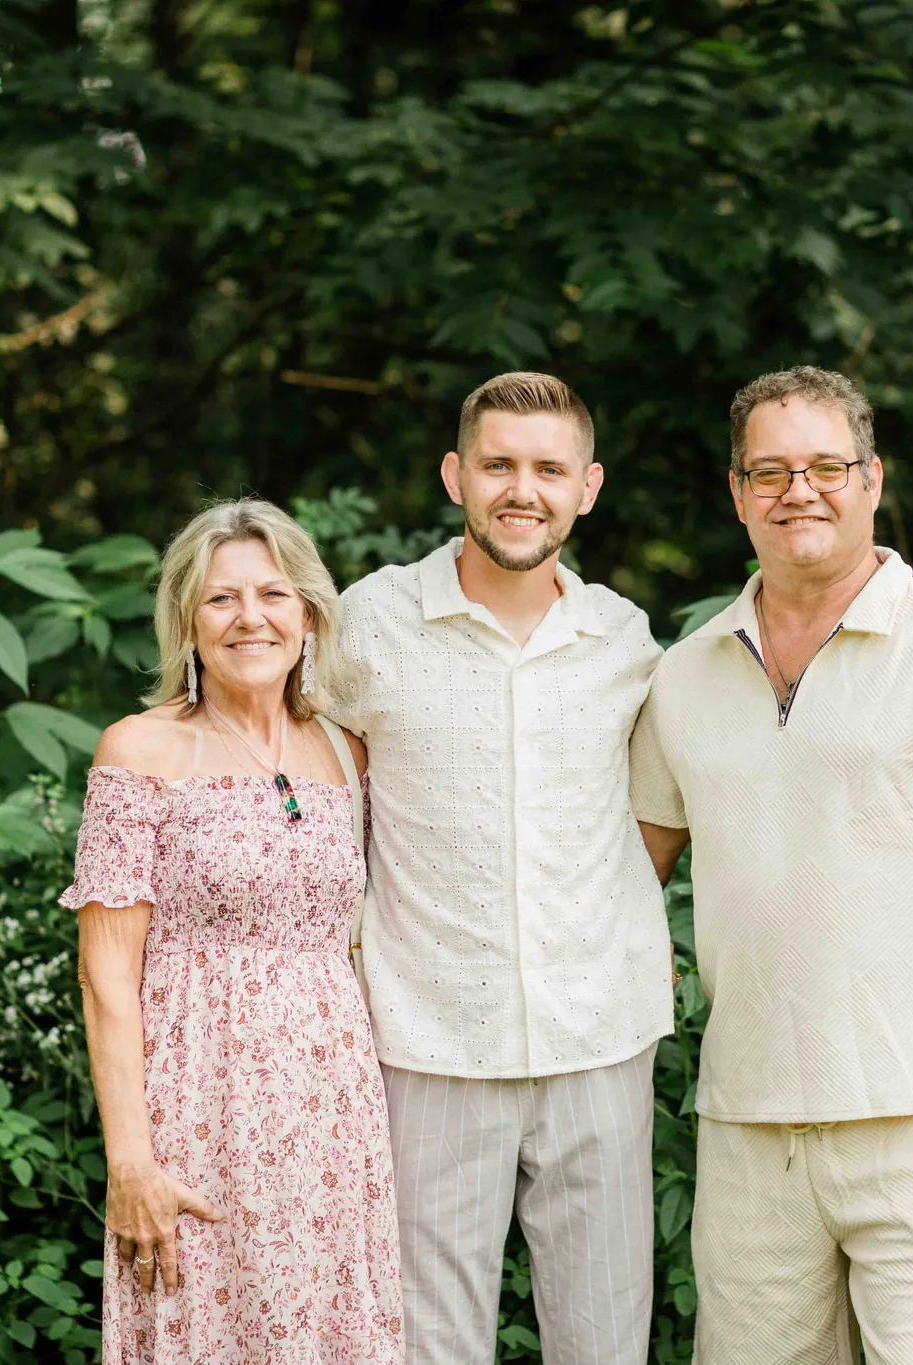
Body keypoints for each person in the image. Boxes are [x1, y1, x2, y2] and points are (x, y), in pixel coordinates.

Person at [631, 367, 913, 1365]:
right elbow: (628, 870)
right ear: (735, 492)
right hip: (744, 1117)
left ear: (871, 479)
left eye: (826, 466)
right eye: (771, 471)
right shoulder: (684, 670)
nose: (800, 491)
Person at [318, 372, 672, 1365]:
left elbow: (655, 812)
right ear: (454, 475)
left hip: (600, 1034)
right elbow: (311, 799)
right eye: (499, 465)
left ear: (587, 486)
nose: (524, 489)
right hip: (425, 1038)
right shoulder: (368, 624)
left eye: (548, 469)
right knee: (428, 1342)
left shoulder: (624, 639)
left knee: (604, 1339)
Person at [62, 498, 402, 1364]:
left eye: (273, 594)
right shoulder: (138, 750)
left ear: (309, 614)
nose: (251, 617)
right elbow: (106, 975)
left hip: (331, 1112)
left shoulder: (344, 750)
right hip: (196, 1104)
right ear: (186, 620)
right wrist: (130, 1159)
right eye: (222, 599)